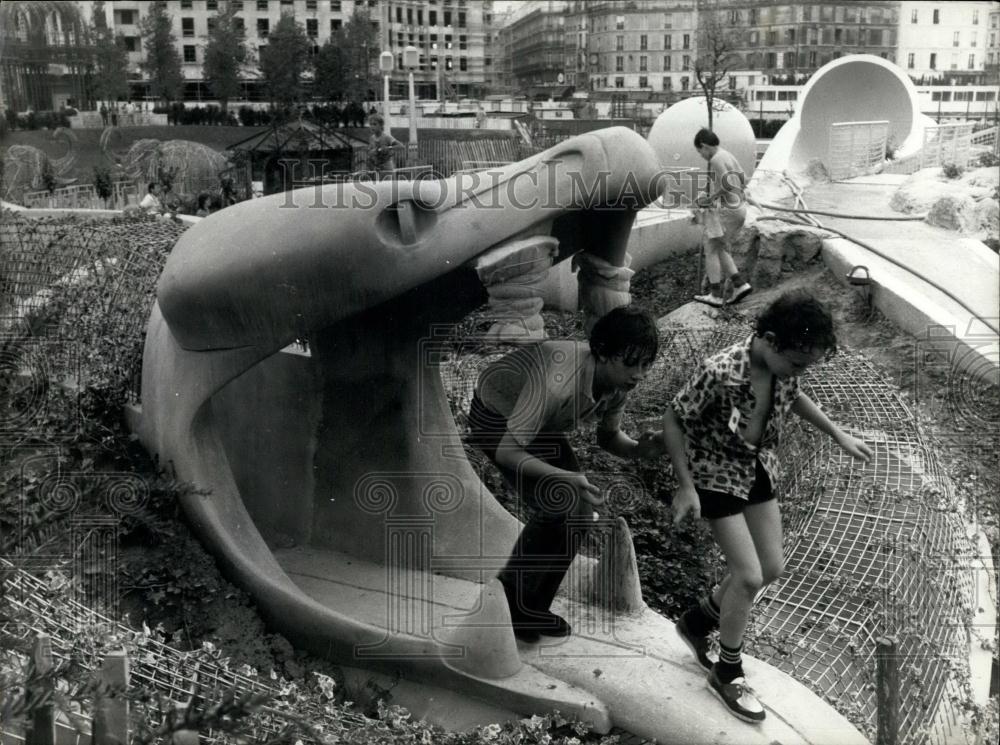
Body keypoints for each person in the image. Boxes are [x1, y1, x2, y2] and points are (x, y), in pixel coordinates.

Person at [660, 290, 872, 723]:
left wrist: (839, 434)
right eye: (797, 363)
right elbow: (673, 419)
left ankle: (698, 623)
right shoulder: (720, 372)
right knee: (748, 575)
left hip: (757, 470)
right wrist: (685, 487)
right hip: (714, 475)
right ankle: (728, 672)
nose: (799, 372)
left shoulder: (784, 369)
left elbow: (793, 396)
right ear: (771, 340)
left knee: (771, 567)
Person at [467, 305, 665, 642]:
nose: (639, 374)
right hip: (494, 415)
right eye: (631, 363)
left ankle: (533, 608)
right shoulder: (560, 381)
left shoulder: (617, 384)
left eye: (646, 365)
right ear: (601, 352)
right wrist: (566, 478)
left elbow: (609, 438)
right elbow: (507, 452)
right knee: (556, 505)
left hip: (535, 423)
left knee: (581, 515)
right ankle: (505, 604)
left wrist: (638, 449)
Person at [692, 128, 752, 308]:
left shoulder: (716, 159)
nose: (701, 156)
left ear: (703, 146)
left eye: (699, 151)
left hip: (729, 210)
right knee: (720, 247)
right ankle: (740, 285)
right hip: (739, 208)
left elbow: (726, 185)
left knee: (710, 247)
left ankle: (715, 295)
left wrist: (710, 199)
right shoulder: (728, 155)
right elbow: (744, 179)